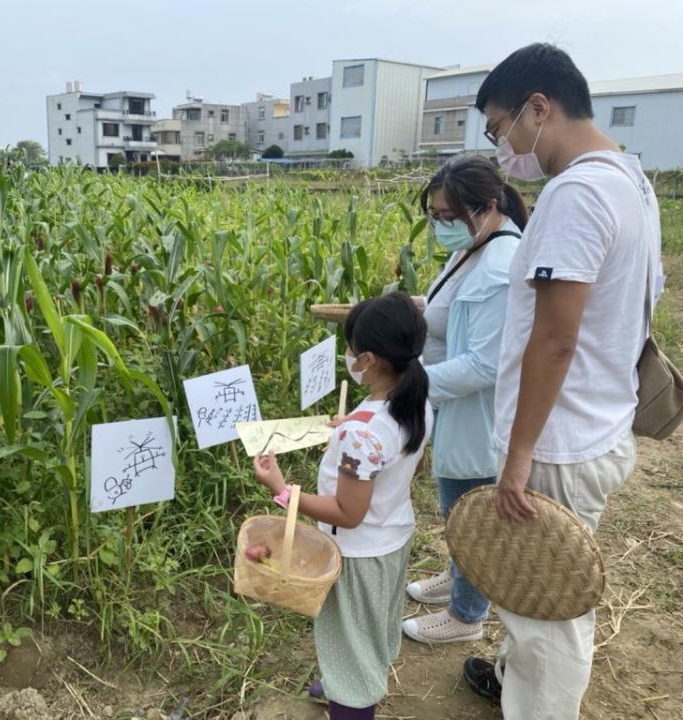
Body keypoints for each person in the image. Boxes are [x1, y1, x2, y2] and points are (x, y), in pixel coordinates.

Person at [461, 43, 664, 720]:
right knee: (544, 590)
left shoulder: (577, 191)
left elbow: (555, 338)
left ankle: (539, 708)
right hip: (597, 423)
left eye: (499, 128)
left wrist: (518, 460)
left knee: (547, 613)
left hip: (557, 442)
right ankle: (515, 684)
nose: (503, 146)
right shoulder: (631, 180)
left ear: (538, 109)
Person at [253, 292, 433, 720]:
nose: (348, 355)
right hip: (391, 541)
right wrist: (350, 427)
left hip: (357, 554)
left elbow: (348, 512)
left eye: (351, 348)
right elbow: (407, 461)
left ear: (368, 360)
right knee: (367, 631)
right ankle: (342, 683)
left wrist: (282, 489)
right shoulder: (414, 401)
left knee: (349, 643)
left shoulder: (364, 435)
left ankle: (349, 700)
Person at [402, 156, 527, 644]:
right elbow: (451, 311)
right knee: (455, 510)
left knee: (472, 519)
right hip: (452, 406)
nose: (438, 226)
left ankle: (466, 616)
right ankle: (458, 578)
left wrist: (411, 384)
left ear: (487, 206)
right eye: (434, 216)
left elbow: (484, 364)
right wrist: (414, 307)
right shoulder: (474, 246)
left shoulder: (499, 267)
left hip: (479, 417)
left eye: (446, 217)